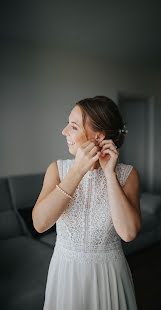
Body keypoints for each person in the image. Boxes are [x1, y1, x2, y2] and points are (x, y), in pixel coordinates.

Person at [32, 95, 142, 310]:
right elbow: (40, 224)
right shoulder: (57, 169)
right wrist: (78, 170)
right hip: (65, 272)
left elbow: (128, 233)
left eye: (73, 126)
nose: (64, 132)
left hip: (109, 275)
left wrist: (110, 174)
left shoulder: (128, 175)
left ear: (98, 137)